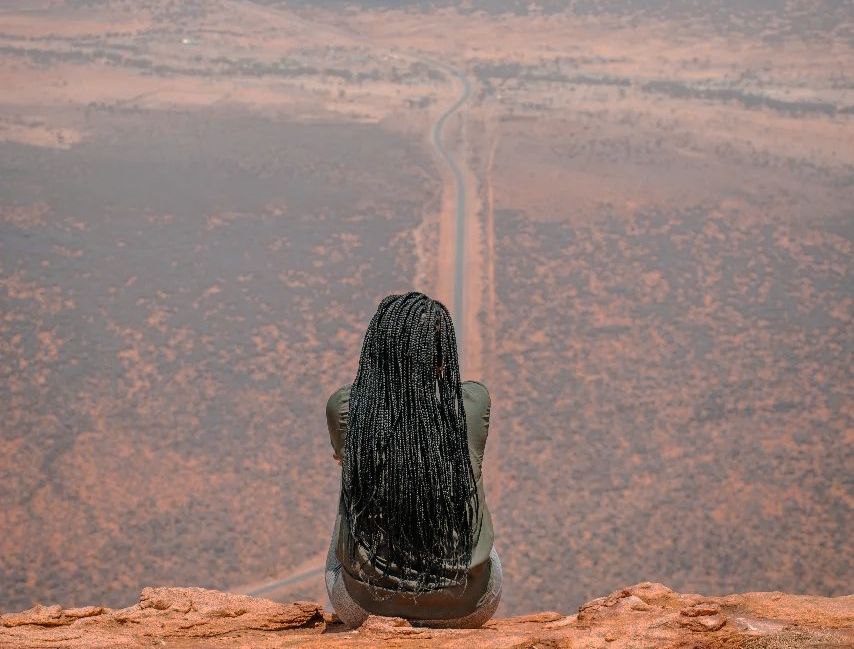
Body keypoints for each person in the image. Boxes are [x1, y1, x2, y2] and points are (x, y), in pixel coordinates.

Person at [324, 291, 501, 628]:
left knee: (354, 476)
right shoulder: (471, 404)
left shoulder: (347, 408)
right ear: (442, 356)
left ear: (376, 351)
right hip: (468, 606)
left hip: (364, 608)